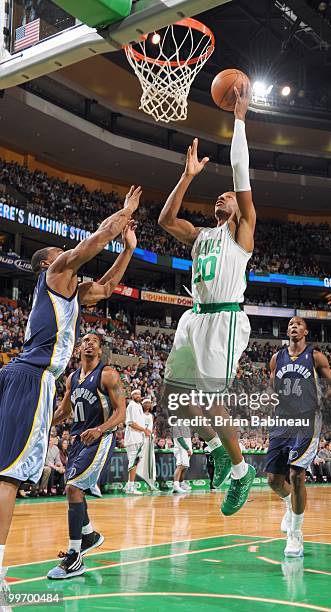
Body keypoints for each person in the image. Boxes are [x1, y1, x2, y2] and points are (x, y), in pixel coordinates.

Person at [0, 184, 141, 581]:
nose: (67, 259)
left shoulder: (71, 296)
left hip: (22, 376)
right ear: (48, 265)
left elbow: (110, 287)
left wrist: (128, 248)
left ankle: (83, 539)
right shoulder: (56, 272)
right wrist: (124, 212)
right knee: (9, 476)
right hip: (32, 378)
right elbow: (94, 242)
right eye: (59, 256)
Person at [158, 85, 256, 516]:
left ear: (238, 209)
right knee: (177, 395)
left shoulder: (242, 231)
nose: (223, 196)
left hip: (225, 319)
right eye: (219, 196)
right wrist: (188, 176)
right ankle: (217, 447)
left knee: (214, 399)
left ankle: (239, 469)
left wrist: (239, 118)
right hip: (193, 319)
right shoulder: (201, 236)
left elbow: (240, 172)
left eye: (228, 197)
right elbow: (164, 219)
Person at [47, 333, 126, 579]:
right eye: (85, 340)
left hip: (101, 438)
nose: (89, 343)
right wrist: (44, 424)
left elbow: (121, 412)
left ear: (100, 351)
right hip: (79, 441)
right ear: (79, 348)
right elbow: (65, 409)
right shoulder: (72, 378)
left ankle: (74, 555)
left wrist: (100, 429)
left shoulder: (108, 374)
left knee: (73, 487)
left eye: (94, 341)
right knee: (73, 487)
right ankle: (89, 534)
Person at [266, 317, 331, 557]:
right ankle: (289, 503)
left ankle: (295, 534)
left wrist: (330, 399)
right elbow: (272, 389)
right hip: (282, 421)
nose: (293, 326)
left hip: (307, 419)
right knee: (274, 481)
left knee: (297, 474)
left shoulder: (315, 356)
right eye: (289, 324)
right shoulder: (277, 358)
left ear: (306, 330)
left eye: (297, 324)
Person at [124, 389, 150, 495]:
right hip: (132, 438)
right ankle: (130, 487)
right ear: (132, 395)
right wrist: (144, 430)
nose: (138, 396)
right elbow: (130, 423)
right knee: (133, 462)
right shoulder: (131, 406)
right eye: (136, 394)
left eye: (139, 394)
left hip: (138, 438)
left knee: (135, 462)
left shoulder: (139, 406)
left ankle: (128, 486)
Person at [172, 423, 192, 494]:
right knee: (180, 466)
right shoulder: (177, 425)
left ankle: (181, 484)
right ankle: (176, 486)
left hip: (186, 449)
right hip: (181, 449)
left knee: (184, 467)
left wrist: (189, 449)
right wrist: (187, 448)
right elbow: (179, 438)